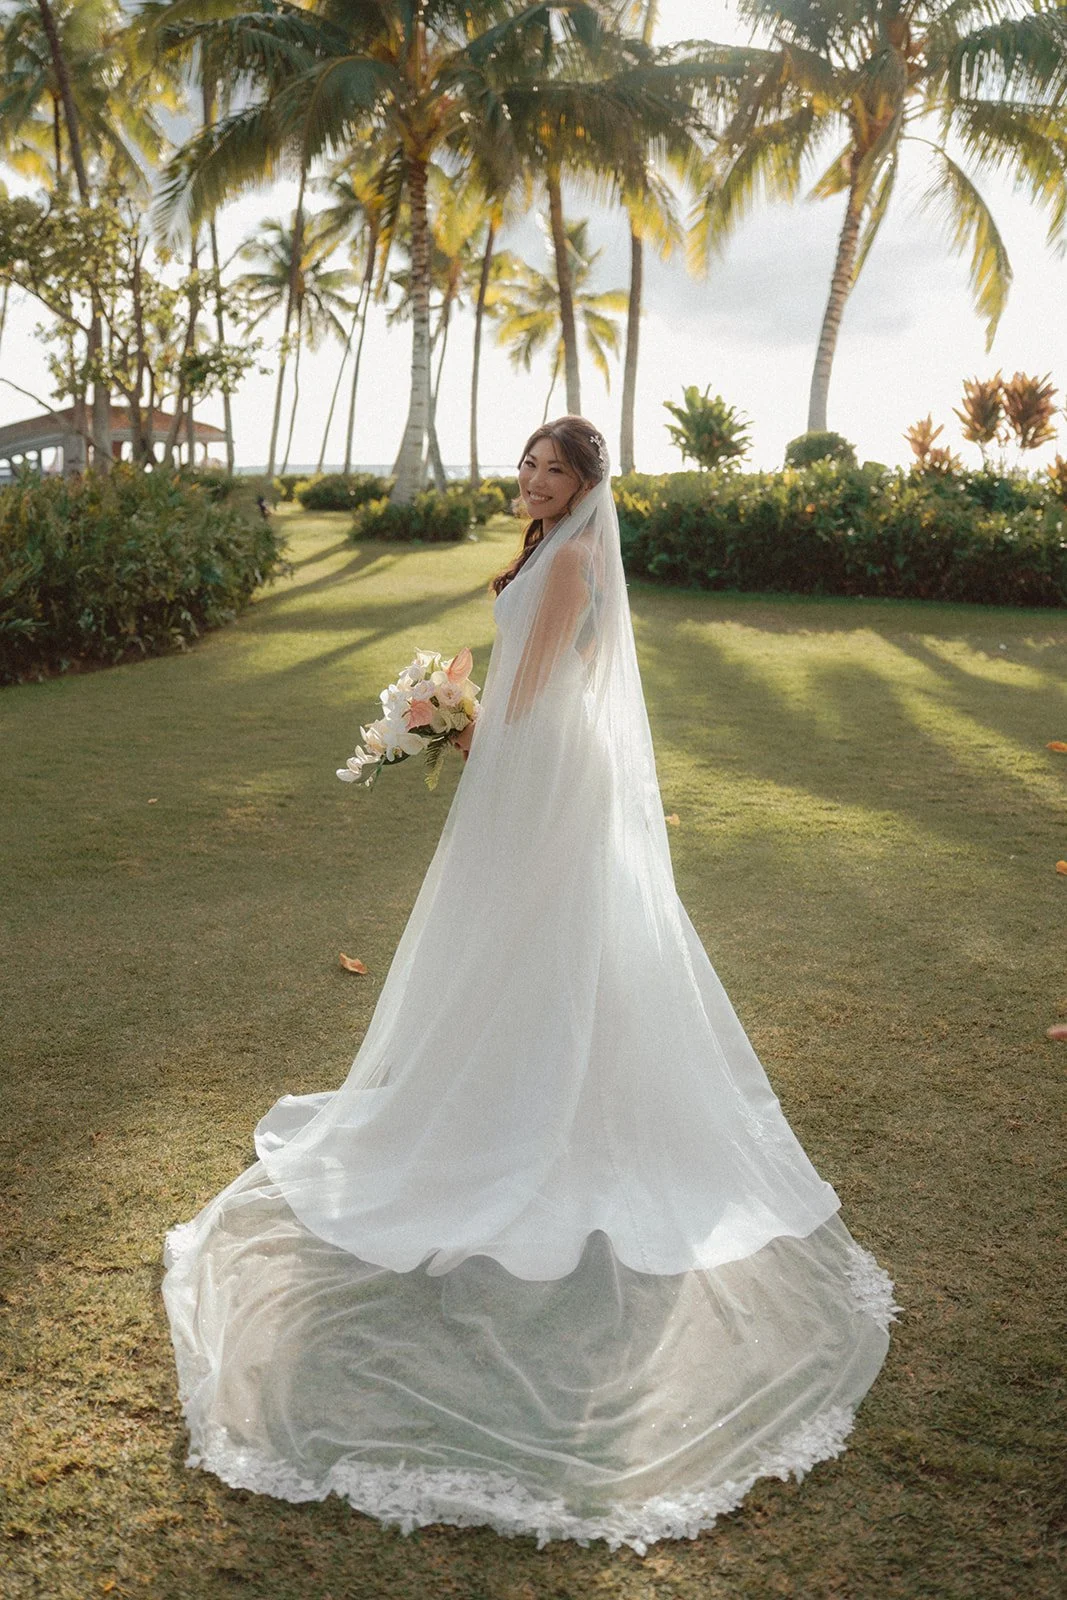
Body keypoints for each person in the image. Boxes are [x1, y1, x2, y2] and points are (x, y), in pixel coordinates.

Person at [162, 416, 897, 1553]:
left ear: (583, 485)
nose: (529, 479)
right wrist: (457, 727)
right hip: (545, 765)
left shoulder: (567, 560)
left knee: (540, 940)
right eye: (525, 464)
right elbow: (534, 690)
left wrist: (454, 730)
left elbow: (535, 692)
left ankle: (543, 1113)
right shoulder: (555, 549)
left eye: (549, 468)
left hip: (548, 774)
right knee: (529, 947)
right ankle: (519, 1087)